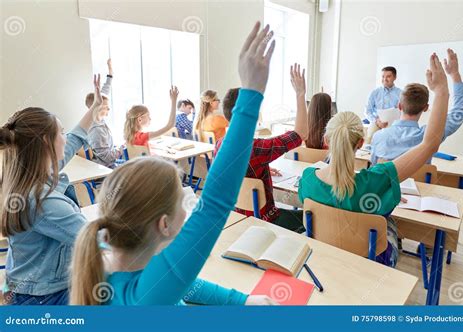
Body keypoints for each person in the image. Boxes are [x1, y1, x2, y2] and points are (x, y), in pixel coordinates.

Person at [70, 22, 278, 306]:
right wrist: (251, 94)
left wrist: (242, 302)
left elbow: (184, 284)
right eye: (185, 201)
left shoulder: (105, 249)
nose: (191, 204)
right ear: (164, 225)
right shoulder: (146, 297)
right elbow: (215, 202)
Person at [299, 53, 450, 267]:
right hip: (372, 260)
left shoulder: (307, 179)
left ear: (326, 139)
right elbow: (429, 145)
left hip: (323, 256)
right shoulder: (376, 180)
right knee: (386, 224)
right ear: (361, 143)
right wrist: (441, 91)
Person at [0, 75, 103, 305]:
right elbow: (94, 241)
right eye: (61, 133)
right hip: (45, 298)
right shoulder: (43, 202)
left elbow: (76, 138)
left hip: (25, 286)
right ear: (47, 143)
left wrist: (95, 107)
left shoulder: (25, 172)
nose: (66, 139)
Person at [214, 64, 308, 233]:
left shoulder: (220, 144)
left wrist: (260, 167)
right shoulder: (256, 148)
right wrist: (300, 94)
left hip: (236, 217)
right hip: (266, 221)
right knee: (311, 216)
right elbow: (302, 133)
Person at [371, 49, 463, 165]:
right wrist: (454, 74)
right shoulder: (430, 135)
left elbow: (373, 168)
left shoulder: (378, 137)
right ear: (425, 108)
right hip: (418, 184)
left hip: (387, 184)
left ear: (399, 106)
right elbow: (461, 110)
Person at [86, 59, 122, 168]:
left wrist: (110, 72)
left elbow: (105, 90)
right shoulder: (96, 130)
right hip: (106, 167)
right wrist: (121, 149)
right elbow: (107, 158)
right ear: (97, 107)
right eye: (106, 107)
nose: (109, 109)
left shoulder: (98, 119)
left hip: (110, 163)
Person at [365, 66, 403, 143]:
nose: (385, 79)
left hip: (394, 124)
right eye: (383, 76)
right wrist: (376, 121)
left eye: (388, 76)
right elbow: (367, 111)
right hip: (377, 122)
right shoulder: (375, 92)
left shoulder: (401, 93)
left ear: (394, 77)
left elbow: (403, 112)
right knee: (369, 137)